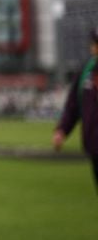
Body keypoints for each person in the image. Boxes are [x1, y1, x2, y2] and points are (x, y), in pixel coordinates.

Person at [53, 25, 98, 194]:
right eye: (94, 43)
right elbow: (73, 106)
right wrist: (62, 130)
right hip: (95, 148)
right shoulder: (86, 72)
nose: (94, 47)